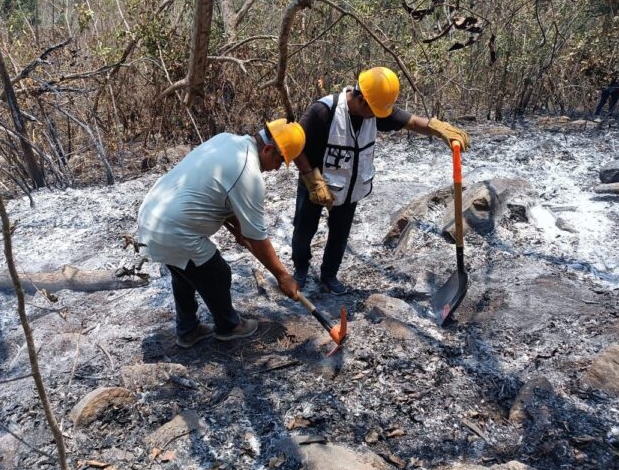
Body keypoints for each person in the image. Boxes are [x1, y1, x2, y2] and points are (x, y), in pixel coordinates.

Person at [292, 66, 471, 295]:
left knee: (339, 235)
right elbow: (296, 146)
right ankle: (300, 269)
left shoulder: (375, 111)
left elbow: (411, 121)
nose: (377, 116)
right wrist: (312, 179)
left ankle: (329, 276)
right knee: (304, 230)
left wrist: (438, 129)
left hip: (348, 188)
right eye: (374, 111)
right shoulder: (323, 111)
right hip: (314, 183)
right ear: (361, 100)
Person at [137, 119, 304, 348]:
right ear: (267, 149)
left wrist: (240, 227)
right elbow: (257, 236)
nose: (277, 168)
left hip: (150, 217)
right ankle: (229, 326)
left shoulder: (226, 140)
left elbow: (218, 191)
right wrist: (283, 276)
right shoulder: (248, 174)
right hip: (173, 229)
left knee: (183, 271)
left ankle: (188, 330)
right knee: (218, 272)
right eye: (280, 161)